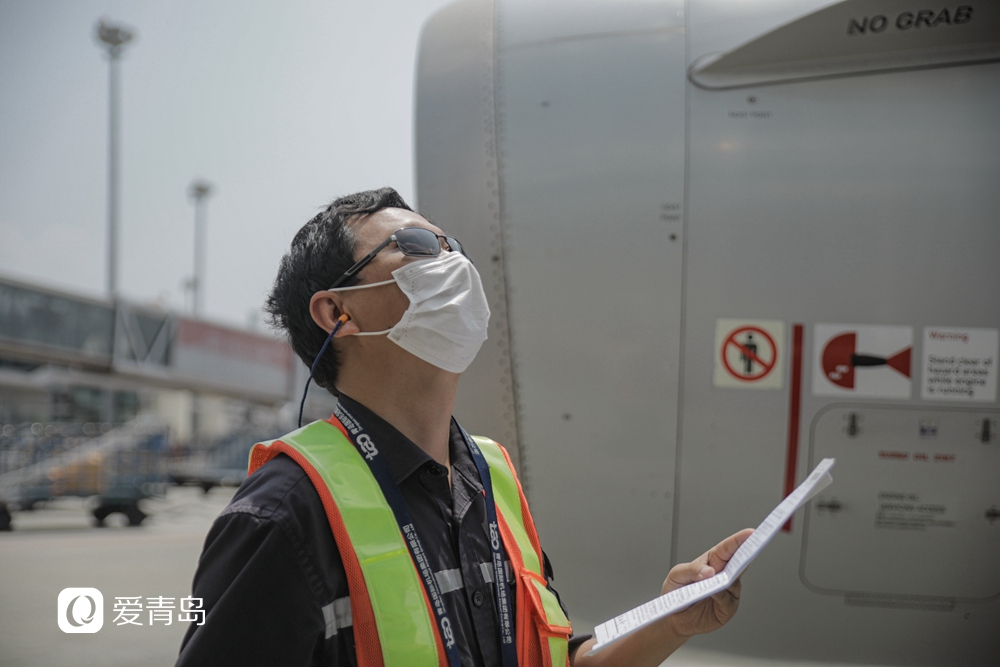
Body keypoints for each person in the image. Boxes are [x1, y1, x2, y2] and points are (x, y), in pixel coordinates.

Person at [176, 187, 752, 667]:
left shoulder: (489, 477)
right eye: (419, 246)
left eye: (453, 246)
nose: (453, 263)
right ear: (337, 313)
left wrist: (670, 619)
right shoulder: (282, 513)